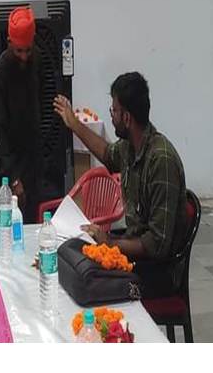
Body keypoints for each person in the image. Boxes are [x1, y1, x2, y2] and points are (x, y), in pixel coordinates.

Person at [53, 72, 192, 299]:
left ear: (126, 117)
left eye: (114, 111)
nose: (112, 116)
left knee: (88, 283)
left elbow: (157, 245)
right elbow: (107, 154)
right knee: (74, 258)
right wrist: (74, 124)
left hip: (158, 271)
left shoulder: (161, 160)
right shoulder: (130, 147)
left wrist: (111, 243)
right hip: (137, 252)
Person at [0, 6, 44, 221]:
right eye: (19, 51)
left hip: (34, 161)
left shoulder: (36, 60)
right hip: (12, 165)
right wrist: (13, 178)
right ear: (9, 43)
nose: (24, 56)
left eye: (28, 50)